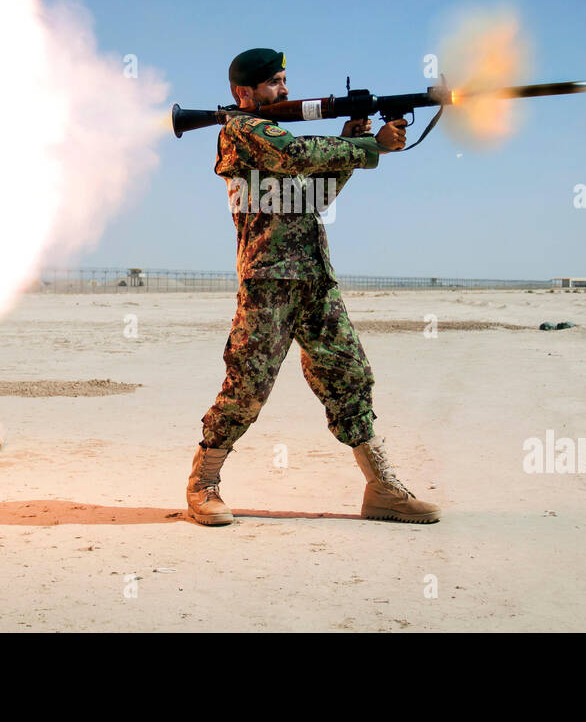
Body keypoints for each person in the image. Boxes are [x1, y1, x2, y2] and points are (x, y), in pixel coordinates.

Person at [186, 47, 441, 526]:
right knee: (249, 385)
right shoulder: (242, 131)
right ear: (245, 91)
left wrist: (352, 143)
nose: (285, 90)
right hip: (268, 281)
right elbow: (294, 153)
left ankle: (382, 488)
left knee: (348, 376)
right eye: (275, 83)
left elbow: (315, 195)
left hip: (315, 278)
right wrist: (371, 148)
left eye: (284, 81)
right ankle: (204, 483)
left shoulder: (271, 140)